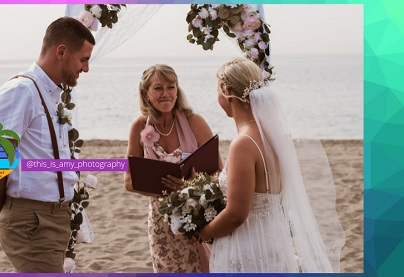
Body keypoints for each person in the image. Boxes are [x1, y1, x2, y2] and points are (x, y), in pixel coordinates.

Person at [0, 17, 95, 273]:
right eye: (83, 59)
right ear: (61, 51)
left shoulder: (50, 94)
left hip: (52, 219)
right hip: (33, 222)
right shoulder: (22, 91)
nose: (86, 68)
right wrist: (6, 208)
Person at [198, 57, 345, 272]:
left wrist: (204, 232)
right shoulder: (275, 137)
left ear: (227, 91)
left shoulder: (243, 144)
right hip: (276, 244)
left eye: (218, 90)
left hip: (247, 248)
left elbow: (237, 214)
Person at [124, 64, 222, 273]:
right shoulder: (139, 127)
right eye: (158, 88)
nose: (166, 94)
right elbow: (130, 181)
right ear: (145, 93)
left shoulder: (194, 122)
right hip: (161, 221)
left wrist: (190, 187)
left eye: (171, 87)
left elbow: (219, 172)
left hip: (196, 216)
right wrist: (168, 190)